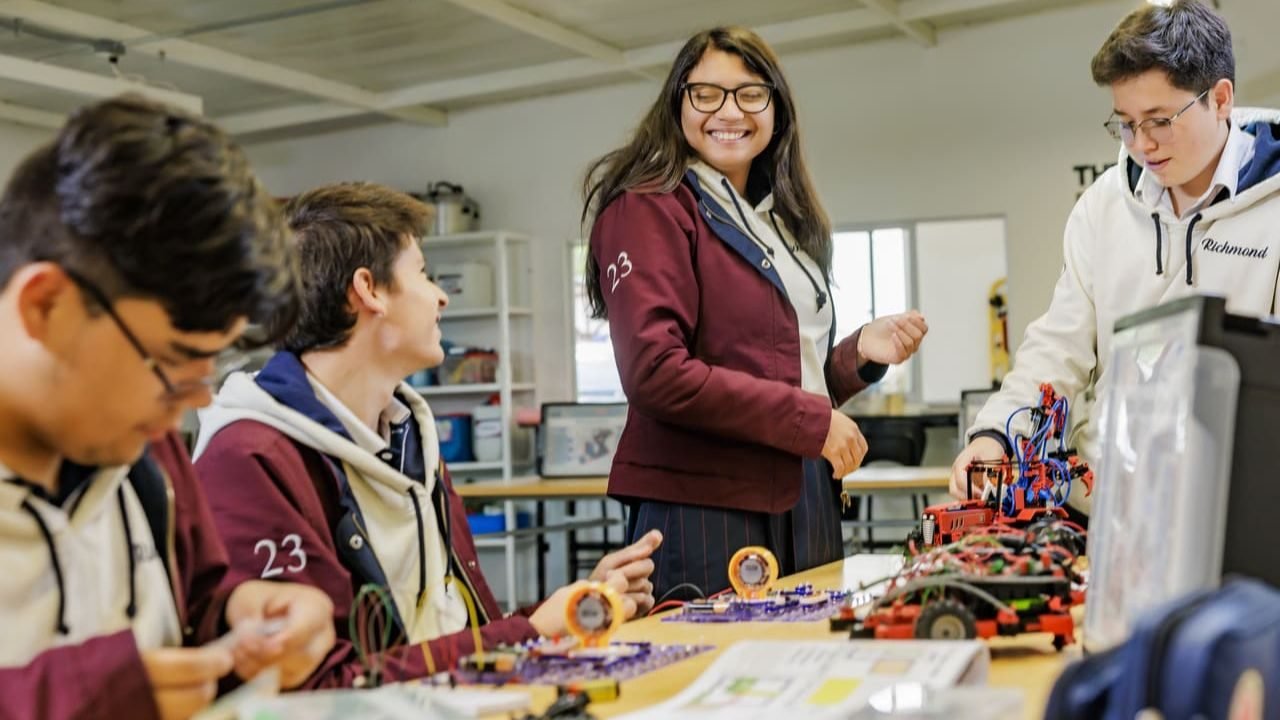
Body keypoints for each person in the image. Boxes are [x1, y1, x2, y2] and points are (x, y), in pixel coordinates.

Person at [192, 182, 661, 687]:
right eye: (422, 273)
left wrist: (572, 605)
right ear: (368, 290)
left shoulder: (411, 440)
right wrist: (531, 632)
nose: (439, 296)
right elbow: (318, 689)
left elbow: (459, 631)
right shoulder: (249, 460)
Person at [0, 95, 336, 720]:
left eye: (206, 371)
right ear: (45, 306)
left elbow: (194, 610)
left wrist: (245, 624)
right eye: (169, 366)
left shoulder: (144, 455)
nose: (192, 404)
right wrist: (77, 702)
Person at [581, 26, 928, 601]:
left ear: (775, 108)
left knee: (810, 674)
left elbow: (778, 374)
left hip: (804, 499)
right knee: (713, 683)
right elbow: (656, 373)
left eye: (750, 94)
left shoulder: (776, 221)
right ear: (678, 103)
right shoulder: (649, 208)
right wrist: (811, 422)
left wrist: (857, 355)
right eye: (707, 93)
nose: (730, 111)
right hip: (708, 509)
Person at [952, 0, 1280, 515]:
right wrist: (998, 432)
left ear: (1220, 99)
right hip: (1111, 507)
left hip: (1238, 508)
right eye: (1125, 122)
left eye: (1159, 120)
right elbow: (1058, 347)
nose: (1142, 144)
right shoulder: (1103, 206)